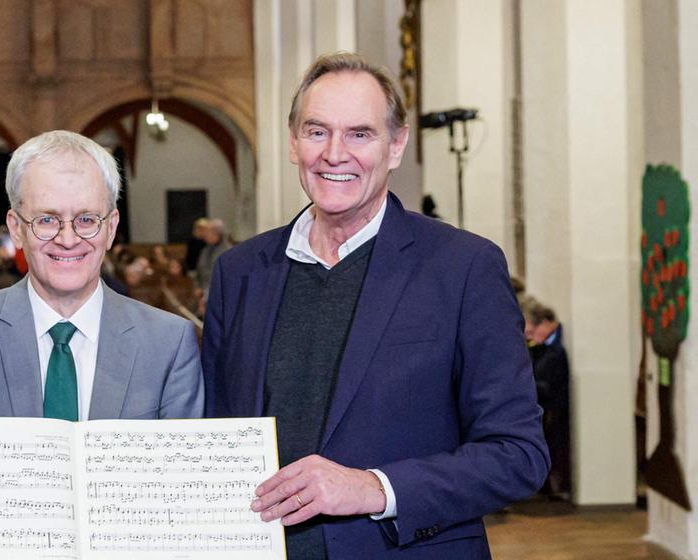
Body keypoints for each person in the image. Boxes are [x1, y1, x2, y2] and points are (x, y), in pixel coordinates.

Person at [202, 52, 548, 558]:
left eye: (360, 134)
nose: (334, 154)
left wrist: (375, 488)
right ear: (293, 143)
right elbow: (217, 438)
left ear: (396, 145)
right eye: (317, 131)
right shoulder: (240, 273)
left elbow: (519, 455)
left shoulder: (463, 268)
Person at [0, 130, 203, 421]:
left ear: (111, 227)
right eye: (46, 219)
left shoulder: (169, 343)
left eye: (86, 219)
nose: (67, 239)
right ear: (17, 228)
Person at [521, 295, 571, 499]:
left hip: (552, 409)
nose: (529, 336)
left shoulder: (556, 351)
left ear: (546, 323)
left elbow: (549, 384)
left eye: (532, 331)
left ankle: (553, 486)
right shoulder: (540, 347)